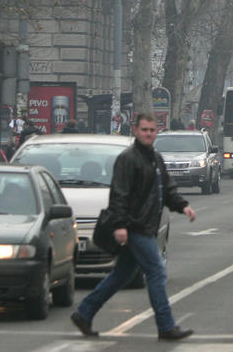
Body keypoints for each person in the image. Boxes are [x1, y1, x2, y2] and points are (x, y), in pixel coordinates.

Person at [70, 112, 197, 341]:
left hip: (145, 226)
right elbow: (119, 194)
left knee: (122, 275)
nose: (148, 134)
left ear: (156, 132)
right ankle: (166, 326)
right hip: (134, 226)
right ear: (136, 131)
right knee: (157, 271)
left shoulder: (155, 158)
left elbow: (166, 189)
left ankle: (84, 313)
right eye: (144, 130)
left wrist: (183, 206)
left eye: (152, 130)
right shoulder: (128, 159)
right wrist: (120, 225)